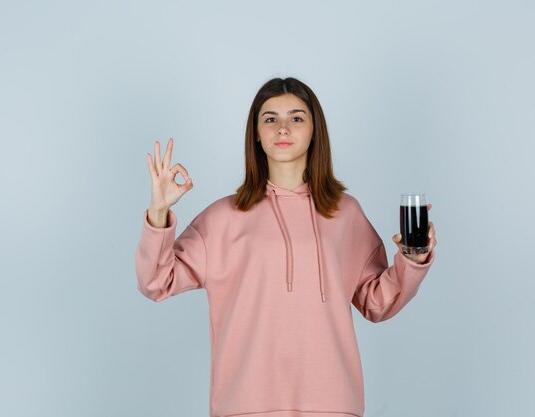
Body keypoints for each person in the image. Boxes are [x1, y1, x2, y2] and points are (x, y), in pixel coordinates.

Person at [135, 77, 437, 417]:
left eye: (296, 118)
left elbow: (376, 302)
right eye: (270, 119)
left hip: (333, 405)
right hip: (245, 406)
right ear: (256, 135)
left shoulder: (345, 213)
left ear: (313, 131)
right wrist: (158, 212)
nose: (282, 128)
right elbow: (156, 281)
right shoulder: (223, 217)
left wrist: (412, 260)